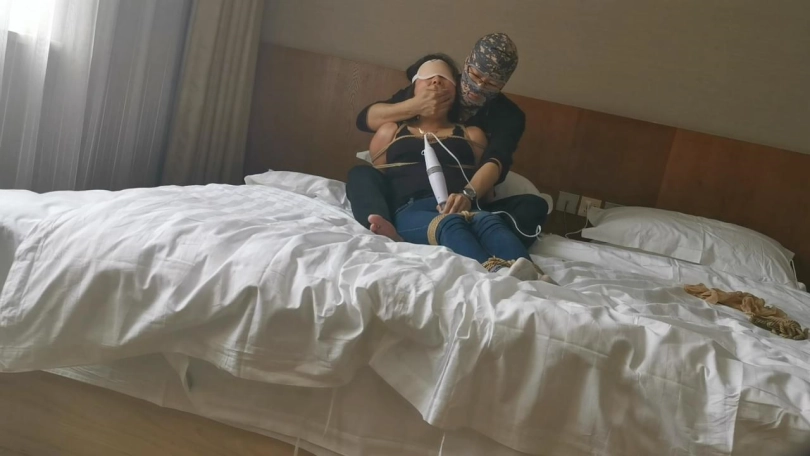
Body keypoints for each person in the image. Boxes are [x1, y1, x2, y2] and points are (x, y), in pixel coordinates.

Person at [347, 33, 548, 246]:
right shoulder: (443, 85)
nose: (479, 86)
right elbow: (365, 120)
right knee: (361, 174)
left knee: (533, 206)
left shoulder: (508, 116)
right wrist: (416, 105)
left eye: (491, 84)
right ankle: (384, 225)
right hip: (409, 195)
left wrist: (467, 196)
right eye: (475, 75)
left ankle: (484, 233)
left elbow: (497, 159)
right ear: (467, 64)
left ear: (502, 85)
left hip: (466, 196)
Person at [368, 56, 546, 280]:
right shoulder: (390, 131)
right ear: (413, 89)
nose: (435, 82)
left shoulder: (472, 134)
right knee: (450, 223)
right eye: (428, 78)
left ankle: (535, 278)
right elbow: (378, 181)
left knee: (488, 220)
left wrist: (469, 197)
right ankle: (495, 273)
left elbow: (491, 173)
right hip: (411, 208)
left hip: (461, 205)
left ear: (456, 92)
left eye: (443, 79)